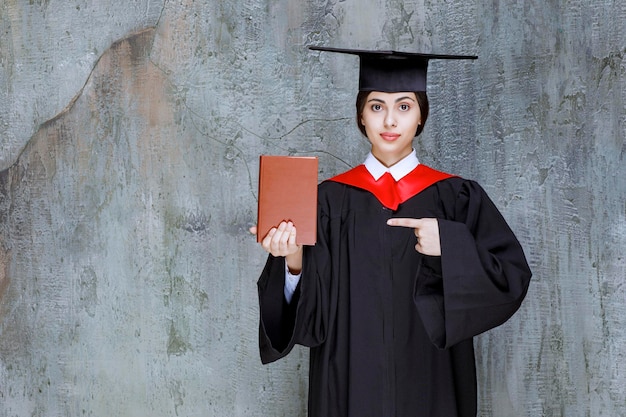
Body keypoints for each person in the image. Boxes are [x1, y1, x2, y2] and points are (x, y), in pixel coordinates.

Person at [250, 46, 532, 417]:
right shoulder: (327, 201)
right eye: (377, 106)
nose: (390, 122)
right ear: (361, 117)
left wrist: (449, 245)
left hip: (432, 379)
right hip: (349, 382)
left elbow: (510, 278)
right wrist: (293, 261)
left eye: (404, 106)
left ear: (420, 118)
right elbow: (310, 322)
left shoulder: (457, 198)